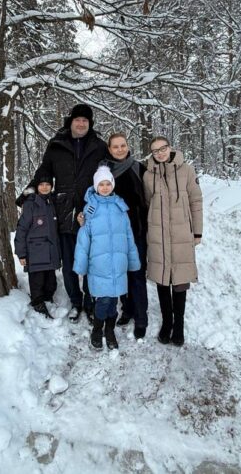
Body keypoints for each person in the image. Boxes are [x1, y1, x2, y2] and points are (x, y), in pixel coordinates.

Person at [18, 104, 108, 322]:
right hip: (64, 211)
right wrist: (28, 193)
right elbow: (44, 172)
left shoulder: (99, 146)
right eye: (77, 120)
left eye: (85, 121)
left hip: (90, 213)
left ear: (90, 124)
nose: (81, 124)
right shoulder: (57, 145)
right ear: (70, 122)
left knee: (90, 263)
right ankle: (76, 303)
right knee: (68, 264)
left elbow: (109, 175)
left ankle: (90, 302)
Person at [143, 137, 203, 346]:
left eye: (163, 149)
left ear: (170, 148)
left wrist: (197, 232)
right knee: (162, 278)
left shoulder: (186, 170)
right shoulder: (148, 175)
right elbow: (148, 203)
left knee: (179, 280)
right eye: (155, 151)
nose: (159, 153)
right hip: (158, 234)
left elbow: (196, 201)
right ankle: (167, 322)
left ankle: (179, 324)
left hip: (181, 234)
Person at [73, 165, 141, 350]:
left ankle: (109, 330)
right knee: (103, 300)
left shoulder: (120, 206)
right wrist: (81, 265)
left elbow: (128, 235)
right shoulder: (90, 209)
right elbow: (84, 237)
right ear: (96, 186)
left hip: (118, 264)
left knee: (113, 300)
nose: (104, 187)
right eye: (101, 184)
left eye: (107, 183)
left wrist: (133, 260)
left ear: (112, 184)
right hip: (99, 264)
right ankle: (97, 329)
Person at [100, 133, 149, 339]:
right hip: (114, 234)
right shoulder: (104, 172)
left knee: (137, 275)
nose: (120, 149)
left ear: (128, 146)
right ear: (109, 149)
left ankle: (141, 318)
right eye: (115, 147)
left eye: (123, 145)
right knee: (120, 274)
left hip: (136, 231)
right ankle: (127, 309)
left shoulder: (138, 168)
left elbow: (150, 197)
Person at [14, 177, 60, 318]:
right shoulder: (30, 204)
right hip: (35, 252)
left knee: (51, 282)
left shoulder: (53, 202)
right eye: (42, 184)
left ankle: (48, 298)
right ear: (36, 186)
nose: (45, 187)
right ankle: (38, 303)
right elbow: (21, 229)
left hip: (51, 251)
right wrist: (21, 254)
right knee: (37, 281)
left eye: (48, 184)